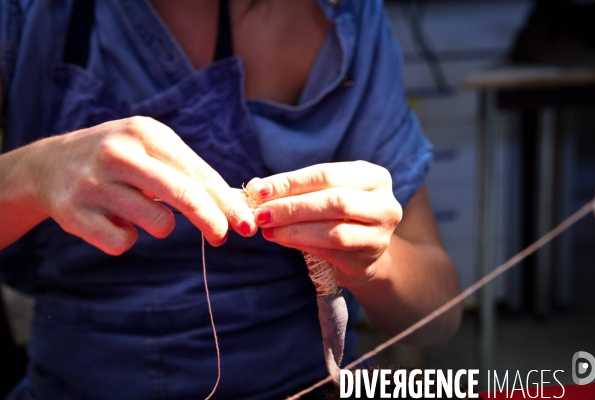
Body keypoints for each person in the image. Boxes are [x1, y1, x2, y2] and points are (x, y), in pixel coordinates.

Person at [0, 0, 462, 398]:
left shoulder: (344, 20)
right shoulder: (28, 15)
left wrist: (374, 261)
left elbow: (440, 316)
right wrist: (33, 173)